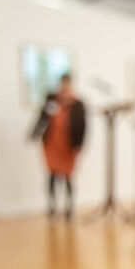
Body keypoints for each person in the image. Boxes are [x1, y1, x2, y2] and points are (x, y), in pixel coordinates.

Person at [31, 74, 86, 220]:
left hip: (68, 146)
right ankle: (52, 206)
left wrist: (80, 144)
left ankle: (69, 207)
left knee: (68, 176)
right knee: (52, 175)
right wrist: (34, 134)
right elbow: (42, 119)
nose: (65, 89)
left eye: (67, 87)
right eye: (63, 86)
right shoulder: (51, 100)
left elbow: (83, 126)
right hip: (52, 145)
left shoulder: (78, 104)